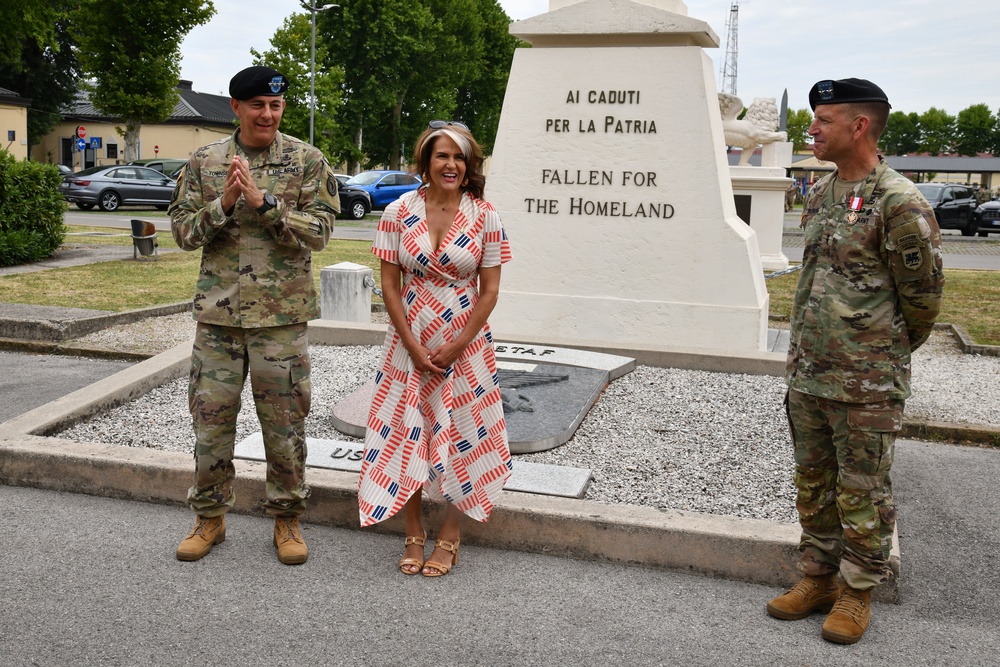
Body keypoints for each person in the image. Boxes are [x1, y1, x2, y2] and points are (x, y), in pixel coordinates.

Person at [766, 79, 945, 643]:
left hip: (866, 380)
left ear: (859, 126)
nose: (811, 130)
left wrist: (877, 355)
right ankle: (817, 578)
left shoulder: (900, 202)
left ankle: (856, 592)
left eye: (823, 120)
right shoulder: (820, 193)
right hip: (810, 372)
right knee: (813, 481)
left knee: (864, 489)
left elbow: (923, 300)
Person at [169, 66, 340, 565]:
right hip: (219, 321)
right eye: (258, 104)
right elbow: (181, 233)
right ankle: (209, 519)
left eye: (276, 105)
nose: (268, 113)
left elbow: (320, 232)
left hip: (280, 321)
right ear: (236, 107)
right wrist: (223, 203)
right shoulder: (205, 162)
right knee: (211, 424)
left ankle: (287, 519)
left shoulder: (306, 161)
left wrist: (265, 205)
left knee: (284, 425)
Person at [357, 121, 512, 577]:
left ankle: (450, 534)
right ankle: (412, 531)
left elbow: (490, 291)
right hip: (409, 336)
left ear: (470, 166)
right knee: (407, 430)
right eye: (442, 155)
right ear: (426, 162)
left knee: (466, 431)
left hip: (466, 341)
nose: (451, 164)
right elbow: (389, 284)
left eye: (459, 157)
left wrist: (458, 344)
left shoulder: (486, 215)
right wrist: (411, 342)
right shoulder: (398, 212)